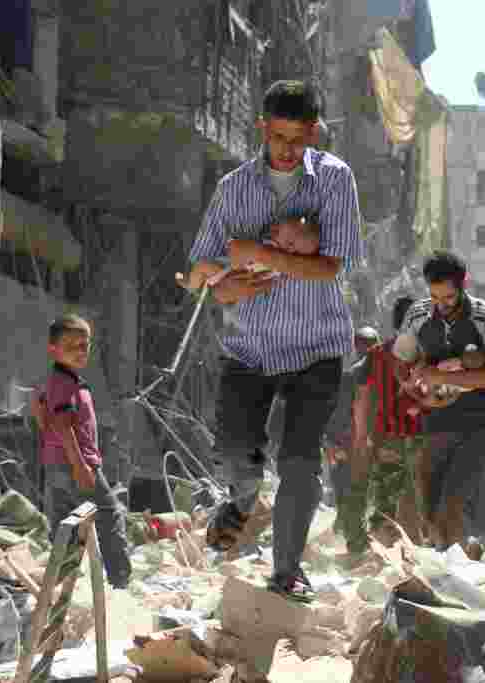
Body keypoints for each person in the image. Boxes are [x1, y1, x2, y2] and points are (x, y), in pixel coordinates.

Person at [185, 79, 366, 603]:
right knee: (237, 453)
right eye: (278, 136)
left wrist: (257, 255)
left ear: (313, 133)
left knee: (299, 460)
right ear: (262, 128)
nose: (287, 150)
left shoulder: (335, 180)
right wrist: (226, 281)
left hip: (316, 348)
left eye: (298, 138)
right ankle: (241, 502)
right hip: (249, 348)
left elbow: (334, 265)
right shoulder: (233, 189)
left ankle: (287, 570)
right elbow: (204, 269)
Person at [392, 251, 485, 551]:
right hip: (434, 427)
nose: (441, 305)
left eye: (449, 298)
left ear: (464, 284)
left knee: (451, 506)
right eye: (434, 297)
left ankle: (456, 571)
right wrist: (414, 383)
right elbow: (400, 363)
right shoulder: (418, 315)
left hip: (477, 427)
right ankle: (465, 551)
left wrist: (441, 376)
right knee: (429, 514)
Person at [31, 314, 132, 589]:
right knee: (109, 517)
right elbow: (64, 427)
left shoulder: (57, 381)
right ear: (53, 349)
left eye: (84, 345)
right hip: (76, 465)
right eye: (71, 345)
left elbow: (41, 414)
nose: (79, 351)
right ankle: (119, 583)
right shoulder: (64, 384)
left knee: (67, 528)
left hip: (56, 466)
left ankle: (63, 586)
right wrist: (80, 467)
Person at [354, 297, 427, 548]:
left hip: (388, 437)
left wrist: (362, 437)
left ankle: (384, 555)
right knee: (416, 500)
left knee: (386, 499)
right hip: (420, 438)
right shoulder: (427, 355)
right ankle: (412, 556)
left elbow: (363, 398)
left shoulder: (376, 355)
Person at [323, 326, 381, 552]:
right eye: (362, 345)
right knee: (347, 492)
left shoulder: (357, 375)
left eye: (369, 345)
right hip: (351, 443)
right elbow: (337, 413)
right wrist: (332, 443)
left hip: (361, 444)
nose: (366, 350)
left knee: (352, 493)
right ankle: (350, 543)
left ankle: (354, 541)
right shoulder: (351, 377)